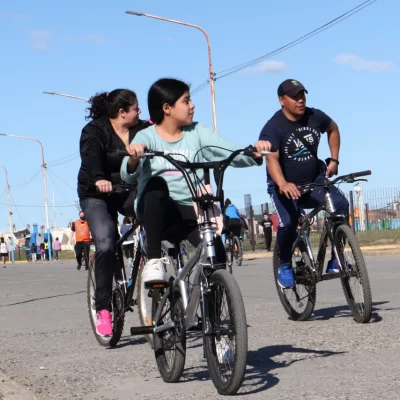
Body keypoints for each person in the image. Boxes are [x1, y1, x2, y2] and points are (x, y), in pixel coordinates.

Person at [121, 77, 272, 285]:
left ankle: (214, 308)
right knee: (156, 185)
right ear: (167, 108)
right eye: (186, 101)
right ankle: (154, 260)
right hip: (159, 212)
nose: (192, 106)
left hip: (192, 210)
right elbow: (127, 174)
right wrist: (133, 157)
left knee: (216, 255)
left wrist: (254, 153)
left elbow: (226, 151)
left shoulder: (197, 132)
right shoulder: (146, 136)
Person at [259, 79, 349, 289]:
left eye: (302, 95)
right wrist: (282, 184)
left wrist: (334, 159)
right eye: (294, 96)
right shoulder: (273, 127)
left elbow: (333, 128)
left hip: (314, 181)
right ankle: (284, 264)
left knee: (341, 206)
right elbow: (271, 159)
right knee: (288, 224)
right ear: (282, 100)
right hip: (284, 186)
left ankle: (336, 258)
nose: (301, 100)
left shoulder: (315, 116)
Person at [78, 89, 151, 338]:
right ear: (122, 112)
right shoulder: (94, 131)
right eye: (136, 108)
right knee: (107, 243)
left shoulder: (142, 128)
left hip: (128, 188)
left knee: (154, 216)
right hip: (96, 193)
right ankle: (103, 310)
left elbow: (163, 136)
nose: (139, 112)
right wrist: (99, 178)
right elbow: (92, 156)